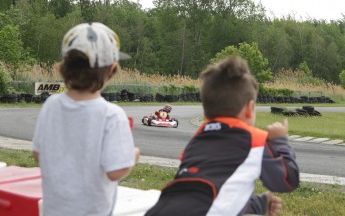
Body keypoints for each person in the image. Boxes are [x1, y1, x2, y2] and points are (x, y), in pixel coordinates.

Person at [145, 55, 299, 216]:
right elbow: (287, 180)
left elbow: (206, 193)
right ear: (249, 108)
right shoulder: (255, 140)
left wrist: (257, 204)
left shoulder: (196, 141)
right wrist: (280, 141)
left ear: (205, 111)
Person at [32, 22, 140, 216]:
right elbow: (115, 171)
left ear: (64, 67)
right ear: (112, 70)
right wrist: (132, 156)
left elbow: (38, 155)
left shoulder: (51, 105)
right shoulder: (112, 115)